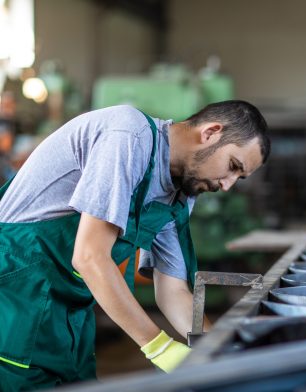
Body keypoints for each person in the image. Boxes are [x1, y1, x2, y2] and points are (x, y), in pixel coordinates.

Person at [0, 100, 271, 391]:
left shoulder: (179, 193)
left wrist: (218, 350)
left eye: (238, 178)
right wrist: (159, 348)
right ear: (211, 132)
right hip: (16, 298)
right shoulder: (129, 135)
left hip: (68, 312)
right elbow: (90, 258)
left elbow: (173, 290)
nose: (227, 185)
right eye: (233, 167)